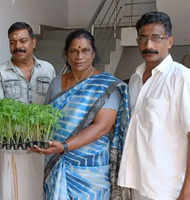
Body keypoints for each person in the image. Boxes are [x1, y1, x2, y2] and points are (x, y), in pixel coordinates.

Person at [30, 29, 130, 200]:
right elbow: (47, 120)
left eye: (85, 51)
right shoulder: (56, 83)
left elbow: (102, 127)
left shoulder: (106, 86)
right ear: (66, 54)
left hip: (90, 169)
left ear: (93, 54)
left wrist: (65, 147)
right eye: (73, 51)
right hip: (56, 160)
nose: (79, 56)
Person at [117, 11, 190, 200]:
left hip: (168, 189)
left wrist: (187, 191)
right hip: (137, 184)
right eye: (143, 38)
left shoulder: (181, 78)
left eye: (156, 38)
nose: (148, 45)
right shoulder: (134, 79)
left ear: (170, 41)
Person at [0, 22, 56, 200]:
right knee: (10, 190)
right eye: (12, 42)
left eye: (23, 40)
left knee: (38, 187)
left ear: (33, 42)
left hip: (40, 141)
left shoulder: (48, 69)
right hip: (11, 142)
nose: (18, 46)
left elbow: (54, 103)